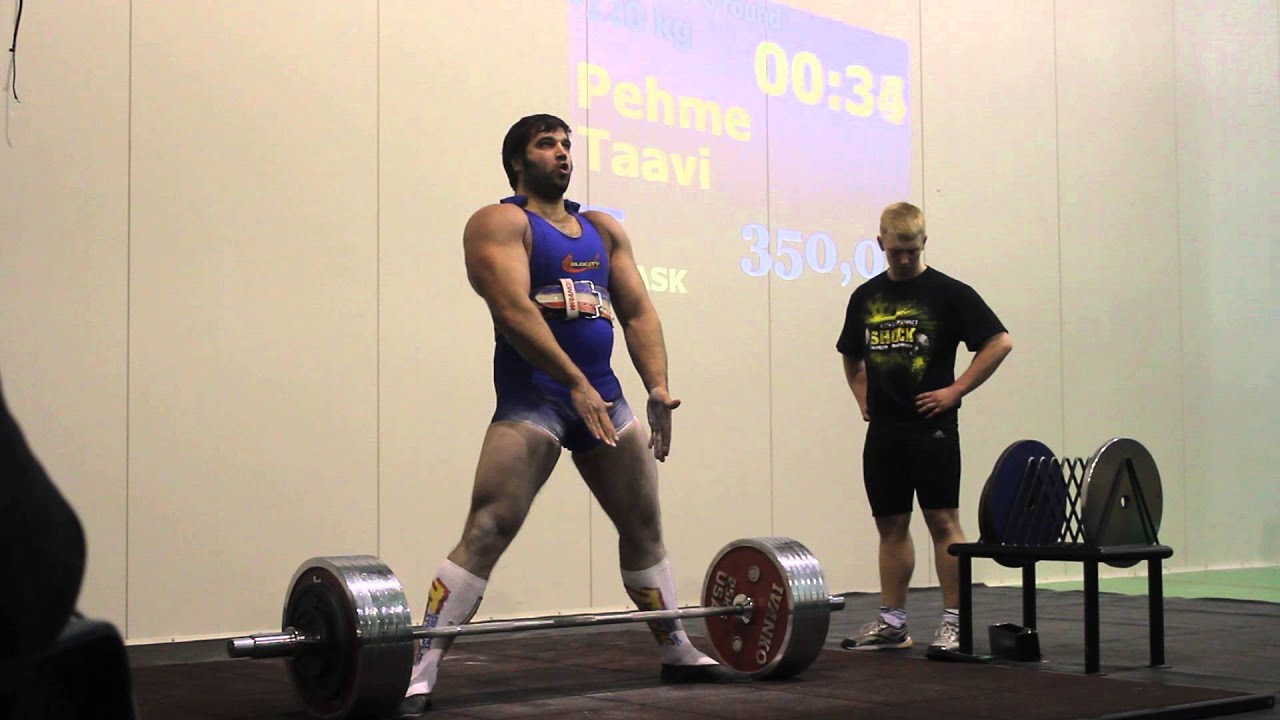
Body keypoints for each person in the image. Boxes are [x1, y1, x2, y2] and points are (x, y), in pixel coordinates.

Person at [396, 114, 741, 717]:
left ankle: (676, 647)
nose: (561, 154)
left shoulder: (602, 229)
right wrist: (574, 382)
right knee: (489, 527)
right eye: (545, 144)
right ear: (516, 162)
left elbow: (637, 313)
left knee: (644, 527)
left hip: (604, 396)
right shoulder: (500, 222)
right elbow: (512, 311)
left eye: (565, 144)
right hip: (536, 397)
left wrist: (657, 388)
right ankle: (420, 665)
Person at [835, 202, 1012, 653]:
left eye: (912, 251)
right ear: (881, 245)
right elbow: (851, 354)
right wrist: (862, 397)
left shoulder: (948, 293)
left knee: (942, 521)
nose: (905, 260)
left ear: (924, 243)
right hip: (885, 432)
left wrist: (956, 390)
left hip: (932, 429)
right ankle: (892, 623)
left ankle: (955, 622)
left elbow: (999, 341)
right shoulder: (865, 297)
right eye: (896, 252)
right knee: (890, 526)